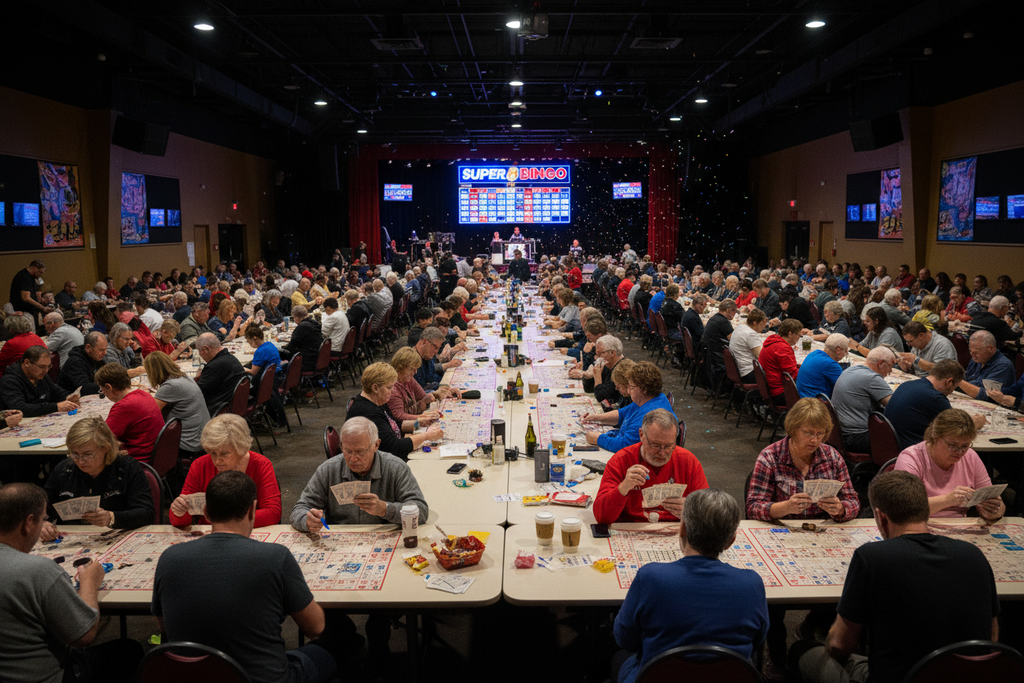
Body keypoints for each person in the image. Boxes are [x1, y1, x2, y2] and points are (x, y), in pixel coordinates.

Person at [794, 471, 1000, 683]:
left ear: (881, 517)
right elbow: (991, 637)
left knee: (801, 651)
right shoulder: (974, 555)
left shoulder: (871, 557)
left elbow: (839, 645)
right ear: (924, 510)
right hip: (968, 677)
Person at [154, 471, 336, 683]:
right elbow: (315, 628)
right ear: (251, 510)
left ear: (206, 511)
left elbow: (164, 628)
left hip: (192, 676)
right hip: (265, 678)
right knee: (336, 645)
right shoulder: (276, 557)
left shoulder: (168, 558)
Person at [746, 398, 859, 676]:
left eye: (820, 433)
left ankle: (811, 627)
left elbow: (854, 500)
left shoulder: (831, 457)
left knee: (847, 588)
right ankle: (778, 654)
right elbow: (752, 506)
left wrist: (841, 508)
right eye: (808, 432)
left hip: (822, 539)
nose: (815, 439)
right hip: (779, 538)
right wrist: (781, 508)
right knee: (771, 601)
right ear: (793, 429)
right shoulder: (770, 456)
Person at [611, 488, 769, 683]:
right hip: (730, 675)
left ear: (682, 528)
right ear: (731, 541)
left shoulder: (650, 577)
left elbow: (624, 639)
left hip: (658, 675)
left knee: (619, 658)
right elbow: (757, 642)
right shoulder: (752, 583)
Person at [0, 482, 143, 683]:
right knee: (130, 651)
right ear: (28, 523)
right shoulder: (39, 570)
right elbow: (84, 634)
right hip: (47, 677)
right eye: (43, 520)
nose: (44, 524)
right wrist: (89, 583)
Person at [594, 409, 709, 524]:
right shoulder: (621, 460)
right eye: (656, 445)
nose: (662, 453)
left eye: (669, 446)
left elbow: (708, 512)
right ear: (641, 435)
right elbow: (602, 517)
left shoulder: (688, 461)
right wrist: (623, 488)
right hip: (632, 528)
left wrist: (693, 510)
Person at [42, 416, 154, 532]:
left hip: (116, 534)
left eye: (88, 454)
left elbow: (146, 513)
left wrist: (111, 517)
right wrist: (42, 523)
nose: (81, 461)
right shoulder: (65, 469)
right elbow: (41, 507)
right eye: (75, 454)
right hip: (71, 538)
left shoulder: (126, 468)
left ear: (105, 448)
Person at [170, 414, 282, 527]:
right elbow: (179, 521)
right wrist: (179, 511)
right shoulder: (200, 465)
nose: (217, 460)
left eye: (224, 453)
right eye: (213, 453)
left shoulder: (260, 465)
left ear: (241, 448)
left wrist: (225, 522)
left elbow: (273, 513)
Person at [347, 362, 443, 460]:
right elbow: (394, 447)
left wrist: (418, 423)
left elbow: (395, 424)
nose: (392, 391)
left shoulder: (377, 400)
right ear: (375, 388)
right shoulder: (367, 412)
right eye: (389, 387)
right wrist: (426, 436)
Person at [584, 361, 676, 452]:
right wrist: (596, 418)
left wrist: (598, 439)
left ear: (643, 389)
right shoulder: (650, 399)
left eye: (631, 387)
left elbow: (624, 445)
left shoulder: (649, 416)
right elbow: (622, 413)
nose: (628, 391)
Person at [144, 351, 211, 460]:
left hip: (189, 443)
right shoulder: (185, 378)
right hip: (202, 436)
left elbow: (149, 413)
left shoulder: (171, 386)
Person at [95, 363, 164, 464]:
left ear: (108, 387)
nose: (104, 394)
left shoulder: (123, 406)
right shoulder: (144, 394)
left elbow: (102, 438)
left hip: (138, 460)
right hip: (156, 455)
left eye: (102, 390)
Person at [831, 347, 895, 453]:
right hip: (855, 437)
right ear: (881, 363)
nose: (891, 371)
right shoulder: (872, 378)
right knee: (900, 439)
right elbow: (894, 405)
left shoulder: (851, 369)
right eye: (890, 366)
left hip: (838, 432)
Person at [0, 345, 80, 417]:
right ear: (27, 363)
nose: (46, 371)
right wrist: (56, 407)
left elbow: (56, 391)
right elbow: (21, 408)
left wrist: (68, 397)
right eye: (42, 366)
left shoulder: (40, 374)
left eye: (49, 367)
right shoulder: (9, 380)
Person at [386, 347, 458, 422]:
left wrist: (442, 392)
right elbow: (399, 417)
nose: (415, 372)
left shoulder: (407, 379)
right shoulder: (392, 388)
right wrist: (423, 417)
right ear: (401, 367)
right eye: (413, 369)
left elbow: (422, 396)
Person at [194, 332, 246, 416]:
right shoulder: (230, 358)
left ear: (206, 349)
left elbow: (197, 393)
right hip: (234, 405)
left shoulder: (214, 367)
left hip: (218, 409)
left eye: (200, 352)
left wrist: (194, 381)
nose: (201, 356)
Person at [958, 329, 1016, 401]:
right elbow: (967, 379)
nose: (972, 355)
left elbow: (987, 396)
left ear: (990, 348)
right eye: (970, 351)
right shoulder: (977, 358)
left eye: (976, 352)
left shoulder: (1004, 366)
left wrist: (958, 381)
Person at [760, 319, 802, 405]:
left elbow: (785, 367)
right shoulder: (783, 348)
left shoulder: (773, 341)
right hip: (779, 392)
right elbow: (792, 375)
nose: (799, 337)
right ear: (790, 334)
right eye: (798, 334)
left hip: (769, 387)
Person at [796, 333, 849, 399]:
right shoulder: (831, 365)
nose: (846, 353)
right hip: (815, 404)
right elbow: (844, 389)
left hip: (801, 397)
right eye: (846, 350)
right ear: (838, 350)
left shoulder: (814, 353)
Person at [701, 299, 737, 388]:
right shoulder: (724, 322)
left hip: (709, 354)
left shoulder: (714, 318)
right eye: (734, 311)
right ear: (729, 310)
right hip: (717, 356)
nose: (735, 314)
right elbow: (733, 340)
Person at [582, 334, 625, 405]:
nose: (598, 358)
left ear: (612, 353)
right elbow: (589, 389)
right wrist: (589, 376)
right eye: (597, 355)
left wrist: (597, 377)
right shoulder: (607, 365)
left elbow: (601, 397)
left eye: (600, 354)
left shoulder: (621, 370)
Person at [729, 308, 767, 384]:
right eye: (762, 323)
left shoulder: (740, 327)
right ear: (755, 323)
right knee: (776, 376)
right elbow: (760, 357)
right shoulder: (750, 334)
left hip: (738, 370)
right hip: (747, 373)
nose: (764, 326)